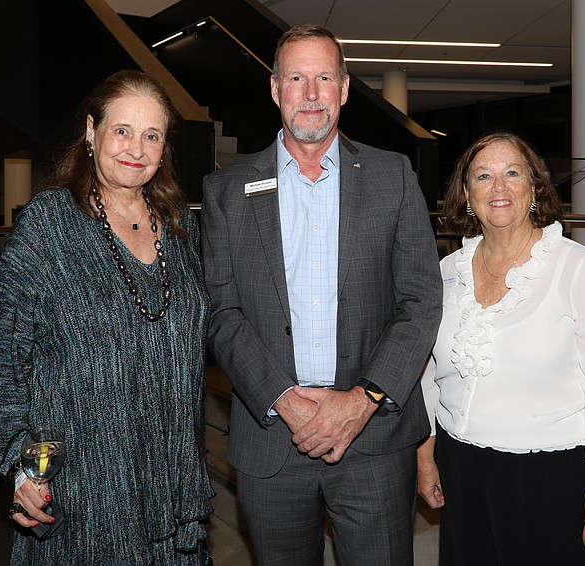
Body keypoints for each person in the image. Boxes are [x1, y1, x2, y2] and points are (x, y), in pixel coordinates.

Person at [200, 24, 441, 566]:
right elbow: (220, 311)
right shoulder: (225, 193)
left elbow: (421, 300)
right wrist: (284, 400)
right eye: (297, 78)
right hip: (271, 443)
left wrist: (362, 402)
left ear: (345, 88)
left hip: (374, 438)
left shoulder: (393, 177)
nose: (311, 94)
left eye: (324, 78)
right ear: (274, 89)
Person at [0, 70, 214, 565]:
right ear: (91, 132)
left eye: (152, 135)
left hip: (175, 500)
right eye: (122, 130)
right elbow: (7, 365)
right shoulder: (47, 226)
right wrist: (21, 469)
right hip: (85, 503)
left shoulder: (179, 228)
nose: (137, 147)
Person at [416, 132, 585, 565]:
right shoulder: (446, 272)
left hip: (548, 477)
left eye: (512, 173)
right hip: (461, 467)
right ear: (466, 194)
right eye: (483, 176)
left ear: (535, 189)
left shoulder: (576, 266)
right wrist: (425, 454)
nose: (498, 187)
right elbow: (426, 374)